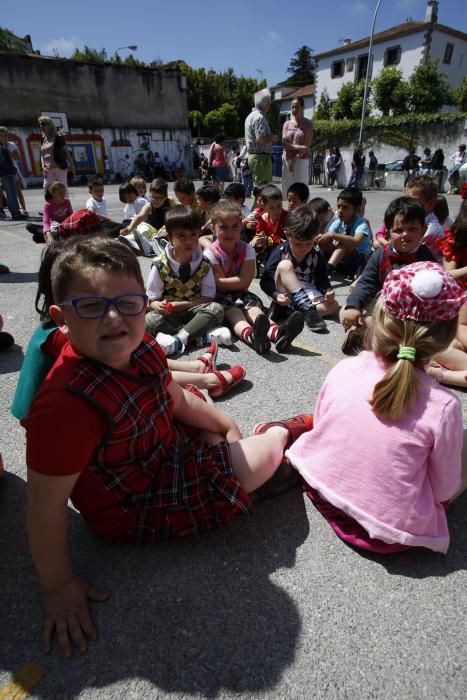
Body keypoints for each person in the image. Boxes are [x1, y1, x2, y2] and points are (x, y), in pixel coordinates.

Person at [21, 235, 313, 657]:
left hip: (163, 447)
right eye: (90, 306)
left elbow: (173, 398)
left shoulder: (139, 347)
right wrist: (59, 585)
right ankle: (280, 432)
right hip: (133, 501)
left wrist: (228, 426)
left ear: (145, 303)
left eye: (128, 303)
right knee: (262, 458)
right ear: (60, 317)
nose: (113, 318)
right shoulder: (65, 405)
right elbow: (44, 507)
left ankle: (237, 451)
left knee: (212, 426)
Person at [287, 261, 467, 555]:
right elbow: (445, 489)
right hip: (389, 532)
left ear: (381, 318)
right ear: (446, 337)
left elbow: (322, 424)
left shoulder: (348, 366)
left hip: (321, 488)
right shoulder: (444, 406)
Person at [10, 241, 244, 421]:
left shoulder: (70, 322)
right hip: (52, 416)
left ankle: (196, 369)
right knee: (143, 377)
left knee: (134, 351)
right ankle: (208, 378)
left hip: (65, 403)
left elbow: (138, 355)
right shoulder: (67, 333)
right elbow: (138, 373)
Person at [340, 197, 437, 354]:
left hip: (412, 315)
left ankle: (369, 336)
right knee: (347, 312)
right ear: (388, 233)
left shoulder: (426, 259)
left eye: (412, 229)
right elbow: (366, 282)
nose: (405, 234)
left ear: (423, 230)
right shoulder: (380, 255)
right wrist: (353, 305)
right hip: (382, 309)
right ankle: (364, 332)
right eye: (398, 230)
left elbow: (437, 290)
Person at [205, 201, 302, 353]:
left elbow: (244, 281)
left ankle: (279, 334)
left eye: (235, 226)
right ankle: (253, 337)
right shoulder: (210, 253)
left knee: (255, 311)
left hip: (242, 293)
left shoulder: (247, 249)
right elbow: (219, 285)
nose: (230, 232)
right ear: (213, 228)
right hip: (218, 297)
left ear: (241, 226)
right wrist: (236, 281)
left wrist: (231, 281)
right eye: (223, 227)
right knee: (235, 314)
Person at [144, 206, 227, 354]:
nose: (189, 241)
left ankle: (178, 340)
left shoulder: (204, 264)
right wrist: (159, 306)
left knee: (216, 309)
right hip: (170, 315)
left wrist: (183, 304)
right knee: (149, 319)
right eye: (181, 236)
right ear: (170, 237)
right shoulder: (159, 265)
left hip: (194, 310)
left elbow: (208, 297)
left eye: (193, 234)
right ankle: (197, 334)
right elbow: (152, 300)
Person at [260, 205, 337, 334]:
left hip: (306, 293)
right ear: (287, 235)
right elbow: (265, 280)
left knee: (333, 305)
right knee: (285, 265)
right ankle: (308, 311)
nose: (303, 248)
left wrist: (328, 291)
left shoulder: (316, 254)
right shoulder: (281, 252)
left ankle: (289, 311)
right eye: (298, 243)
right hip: (284, 292)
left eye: (308, 243)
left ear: (315, 237)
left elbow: (322, 279)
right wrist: (276, 294)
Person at [317, 188, 372, 279]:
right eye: (339, 206)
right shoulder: (339, 221)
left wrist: (333, 235)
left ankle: (327, 270)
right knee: (324, 241)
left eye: (345, 207)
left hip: (358, 263)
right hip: (342, 263)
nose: (340, 210)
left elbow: (355, 241)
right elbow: (328, 236)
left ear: (356, 209)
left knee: (344, 242)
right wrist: (319, 238)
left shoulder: (361, 223)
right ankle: (318, 265)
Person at [281, 97, 314, 199]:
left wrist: (293, 152)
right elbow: (283, 143)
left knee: (301, 192)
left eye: (297, 107)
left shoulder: (308, 124)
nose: (294, 109)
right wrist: (296, 147)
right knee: (288, 191)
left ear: (303, 107)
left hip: (301, 161)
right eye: (292, 107)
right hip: (287, 160)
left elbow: (306, 148)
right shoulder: (287, 124)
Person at [405, 174, 444, 260]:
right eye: (407, 200)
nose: (408, 205)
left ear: (431, 204)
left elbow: (407, 252)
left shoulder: (431, 229)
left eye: (414, 202)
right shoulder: (417, 219)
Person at [251, 184, 287, 265]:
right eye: (271, 208)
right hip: (266, 248)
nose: (276, 210)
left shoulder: (287, 218)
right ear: (264, 206)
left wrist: (269, 240)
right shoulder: (263, 217)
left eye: (279, 206)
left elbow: (288, 241)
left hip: (284, 251)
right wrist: (256, 239)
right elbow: (259, 232)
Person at [244, 88, 273, 187]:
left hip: (254, 157)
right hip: (261, 158)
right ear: (267, 103)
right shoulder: (260, 117)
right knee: (263, 189)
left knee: (258, 188)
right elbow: (260, 139)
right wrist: (273, 138)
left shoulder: (250, 116)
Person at [38, 117, 75, 193]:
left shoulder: (58, 138)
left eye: (44, 124)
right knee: (47, 189)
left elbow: (67, 154)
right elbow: (42, 155)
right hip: (48, 170)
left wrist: (72, 167)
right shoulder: (42, 140)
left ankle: (66, 204)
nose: (42, 126)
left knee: (62, 190)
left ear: (50, 125)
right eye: (40, 124)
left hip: (59, 168)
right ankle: (50, 205)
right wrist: (43, 167)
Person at [0, 126, 26, 220]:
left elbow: (18, 158)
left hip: (9, 171)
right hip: (6, 172)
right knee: (10, 193)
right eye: (2, 135)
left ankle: (19, 210)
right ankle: (15, 213)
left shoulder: (8, 145)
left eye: (6, 135)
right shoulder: (2, 147)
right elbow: (4, 161)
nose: (5, 137)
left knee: (14, 192)